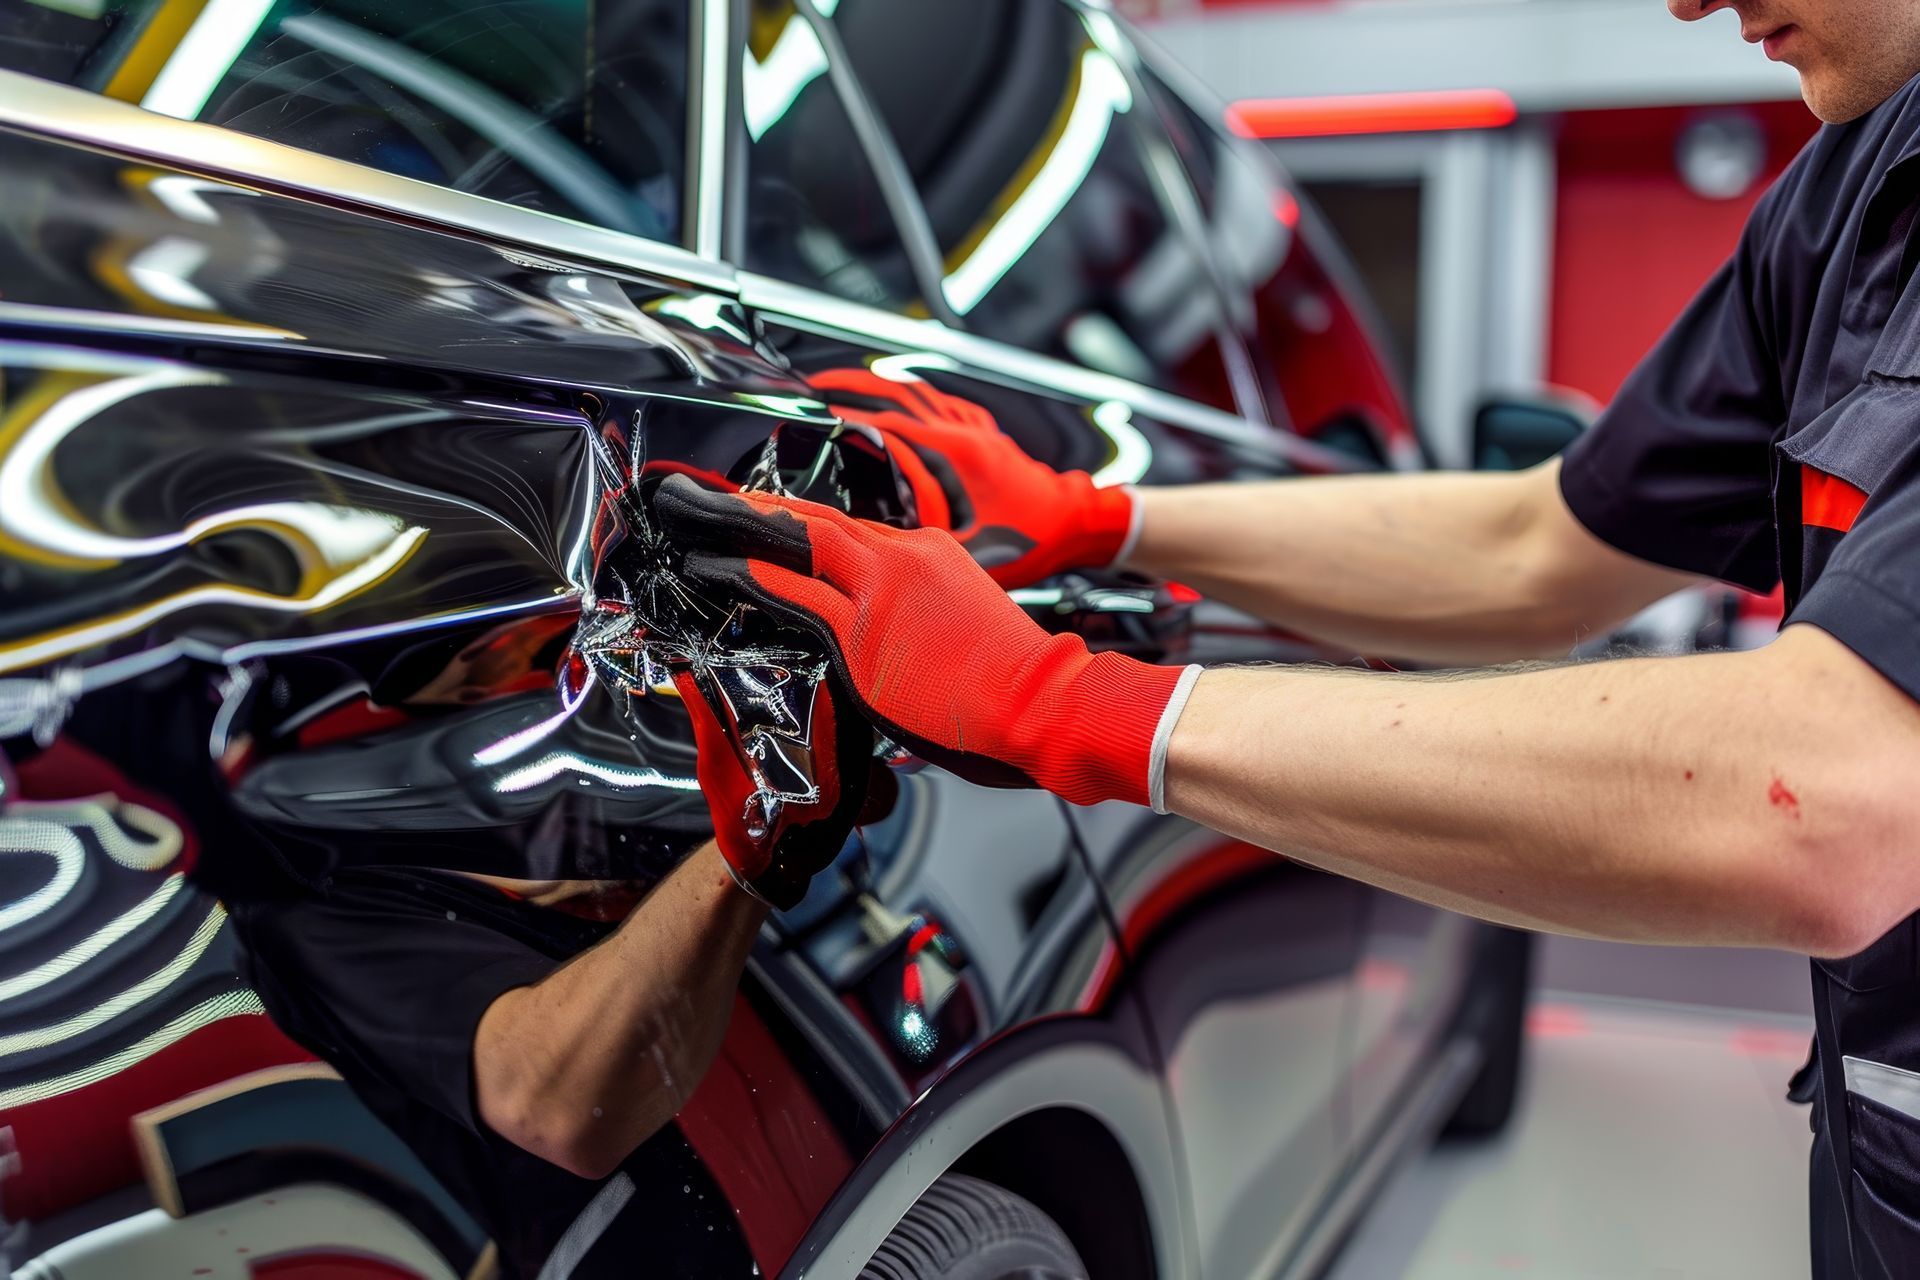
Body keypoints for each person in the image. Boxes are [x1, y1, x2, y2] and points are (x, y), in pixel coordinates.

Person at [649, 2, 1920, 1275]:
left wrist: (1060, 700)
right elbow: (1536, 547)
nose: (1687, 0)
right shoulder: (1842, 197)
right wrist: (1098, 515)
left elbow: (1836, 794)